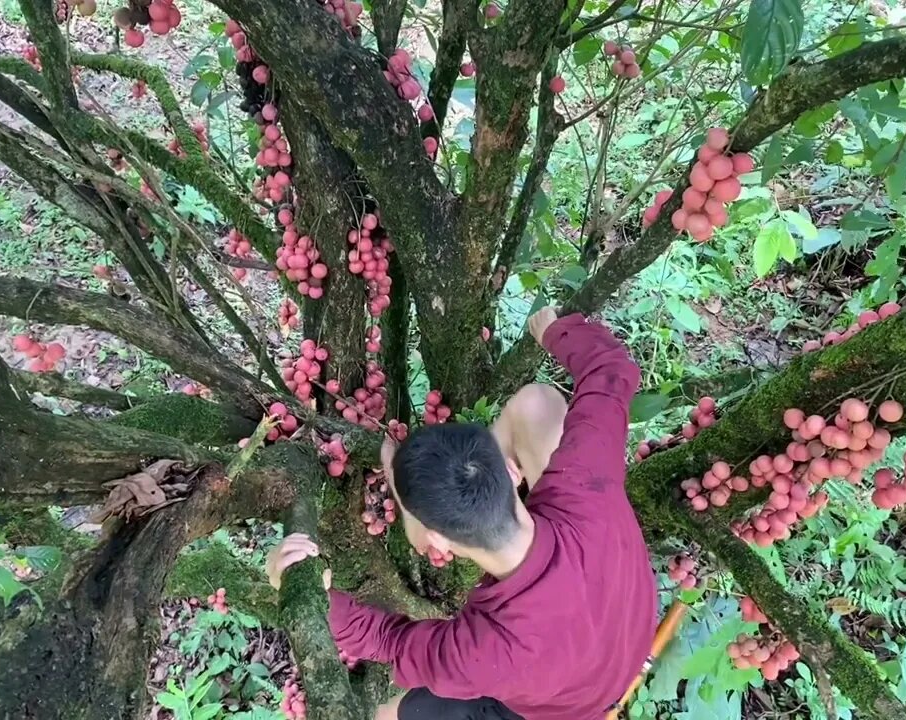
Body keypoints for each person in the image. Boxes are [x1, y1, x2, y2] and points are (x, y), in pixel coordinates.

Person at [266, 307, 656, 720]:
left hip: (571, 706)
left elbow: (387, 640)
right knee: (538, 403)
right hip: (625, 629)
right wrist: (555, 331)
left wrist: (309, 591)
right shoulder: (586, 482)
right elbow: (610, 372)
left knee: (387, 715)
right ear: (509, 469)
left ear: (439, 542)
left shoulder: (481, 653)